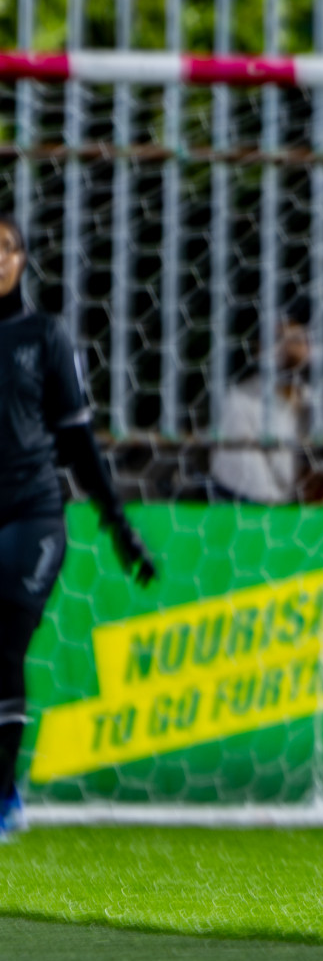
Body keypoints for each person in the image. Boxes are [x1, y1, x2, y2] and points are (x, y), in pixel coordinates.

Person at [0, 216, 155, 841]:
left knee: (2, 646)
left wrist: (121, 530)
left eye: (4, 246)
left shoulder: (43, 336)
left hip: (32, 518)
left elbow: (79, 445)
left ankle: (4, 800)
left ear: (22, 258)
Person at [210, 317, 314, 504]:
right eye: (279, 340)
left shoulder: (314, 402)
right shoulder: (240, 401)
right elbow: (248, 481)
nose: (288, 350)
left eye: (297, 341)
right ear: (260, 350)